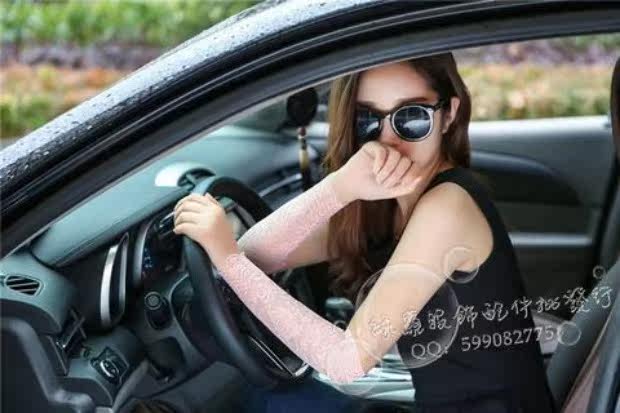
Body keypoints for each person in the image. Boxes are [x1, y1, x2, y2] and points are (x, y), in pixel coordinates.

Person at [172, 52, 557, 413]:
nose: (389, 140)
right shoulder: (384, 201)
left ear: (448, 115)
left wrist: (228, 259)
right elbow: (258, 254)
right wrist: (340, 187)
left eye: (412, 117)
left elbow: (347, 360)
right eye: (368, 120)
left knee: (264, 400)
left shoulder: (448, 206)